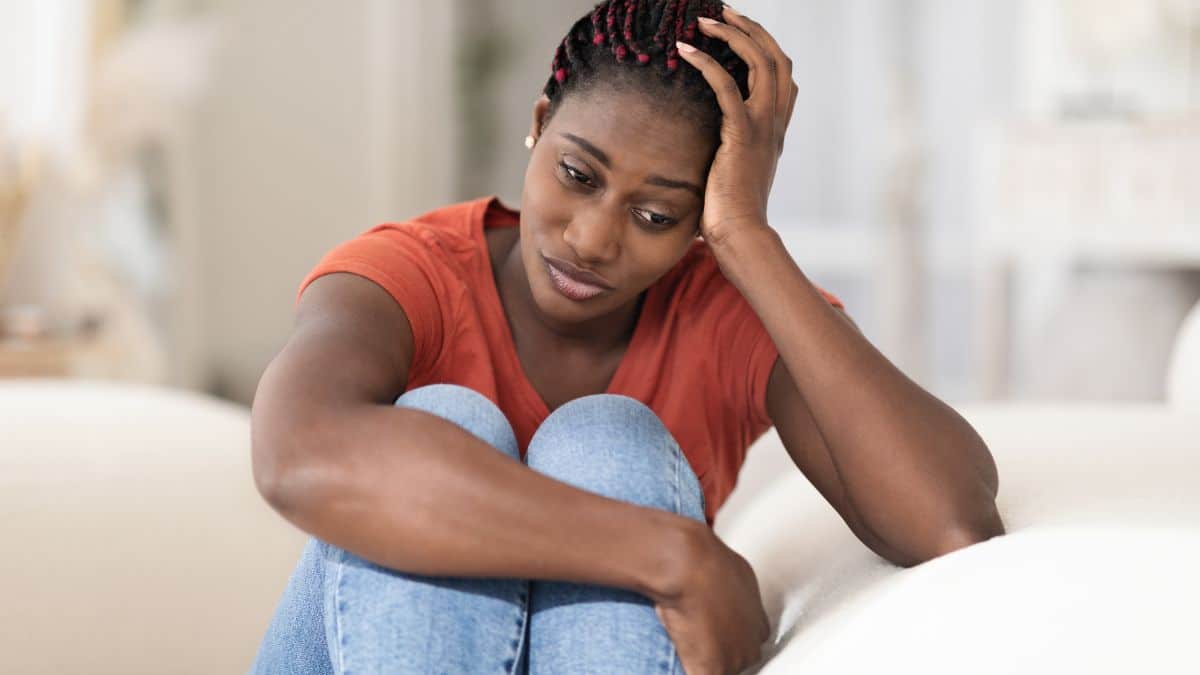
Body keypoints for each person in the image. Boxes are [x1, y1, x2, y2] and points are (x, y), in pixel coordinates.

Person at [248, 1, 1005, 673]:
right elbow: (296, 453)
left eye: (656, 216)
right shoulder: (409, 275)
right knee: (447, 420)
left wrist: (746, 235)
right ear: (540, 124)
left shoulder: (718, 310)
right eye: (578, 174)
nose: (590, 239)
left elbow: (949, 521)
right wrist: (670, 554)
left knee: (609, 441)